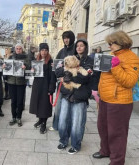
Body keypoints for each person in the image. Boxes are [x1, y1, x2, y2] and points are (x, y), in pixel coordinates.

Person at [92, 31, 139, 165]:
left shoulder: (132, 57)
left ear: (121, 42)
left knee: (117, 133)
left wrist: (116, 66)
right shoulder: (112, 55)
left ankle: (117, 161)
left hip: (120, 102)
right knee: (103, 127)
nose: (109, 46)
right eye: (109, 43)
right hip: (105, 99)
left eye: (111, 43)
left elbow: (130, 81)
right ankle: (105, 151)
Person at [55, 39, 93, 154]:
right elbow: (58, 71)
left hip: (80, 96)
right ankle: (63, 141)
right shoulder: (69, 57)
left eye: (82, 46)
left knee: (77, 122)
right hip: (66, 94)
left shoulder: (89, 60)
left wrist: (67, 76)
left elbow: (85, 78)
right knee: (62, 120)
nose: (79, 48)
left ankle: (76, 145)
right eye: (77, 46)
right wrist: (66, 73)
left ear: (85, 47)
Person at [49, 30, 76, 131]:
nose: (66, 40)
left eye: (68, 38)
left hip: (72, 83)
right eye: (64, 38)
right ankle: (56, 125)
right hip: (61, 83)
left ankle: (68, 126)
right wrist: (54, 66)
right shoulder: (61, 51)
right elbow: (56, 68)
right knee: (59, 105)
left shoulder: (75, 51)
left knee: (70, 106)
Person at [29, 43, 56, 134]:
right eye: (42, 50)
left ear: (48, 51)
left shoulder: (51, 61)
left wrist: (51, 89)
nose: (44, 52)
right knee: (38, 104)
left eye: (45, 50)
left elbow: (53, 76)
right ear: (40, 51)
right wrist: (32, 71)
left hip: (46, 86)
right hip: (37, 86)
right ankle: (40, 120)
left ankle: (44, 123)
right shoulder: (37, 60)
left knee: (45, 105)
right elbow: (32, 75)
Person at [4, 43, 29, 127]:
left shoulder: (26, 58)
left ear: (22, 49)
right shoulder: (11, 57)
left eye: (20, 48)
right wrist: (4, 67)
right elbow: (7, 68)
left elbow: (30, 69)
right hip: (11, 82)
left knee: (19, 101)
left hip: (21, 82)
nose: (18, 50)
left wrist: (26, 68)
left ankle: (19, 117)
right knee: (13, 101)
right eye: (17, 48)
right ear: (15, 49)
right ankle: (13, 117)